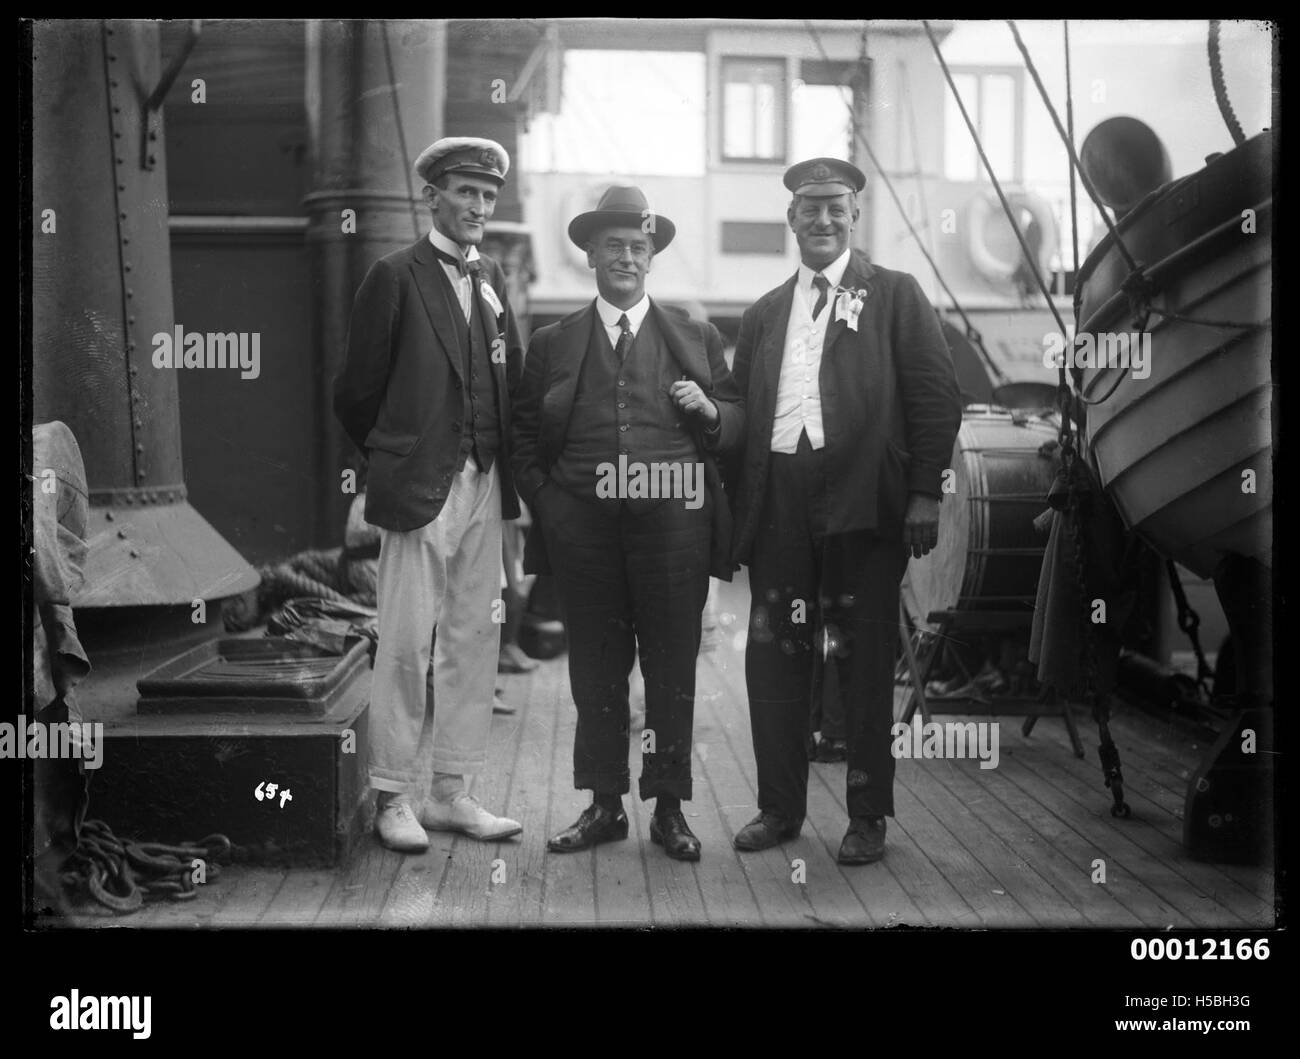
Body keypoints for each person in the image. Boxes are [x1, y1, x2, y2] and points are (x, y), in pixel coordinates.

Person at [729, 157, 962, 864]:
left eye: (836, 207)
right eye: (810, 208)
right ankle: (779, 807)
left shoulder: (894, 294)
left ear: (854, 217)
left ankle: (867, 814)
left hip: (864, 504)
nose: (823, 219)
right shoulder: (766, 312)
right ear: (791, 220)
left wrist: (925, 492)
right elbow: (741, 411)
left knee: (862, 663)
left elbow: (934, 396)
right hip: (780, 506)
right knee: (775, 656)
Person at [512, 185, 742, 861]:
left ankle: (669, 808)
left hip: (673, 533)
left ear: (652, 258)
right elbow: (523, 436)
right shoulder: (553, 343)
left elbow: (737, 424)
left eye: (637, 246)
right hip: (582, 535)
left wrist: (709, 410)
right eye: (612, 245)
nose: (625, 257)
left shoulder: (695, 338)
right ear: (589, 253)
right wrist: (551, 505)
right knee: (596, 669)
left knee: (672, 669)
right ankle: (605, 805)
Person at [333, 137, 524, 853]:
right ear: (433, 196)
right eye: (465, 191)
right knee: (408, 641)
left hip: (485, 479)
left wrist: (505, 476)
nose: (478, 205)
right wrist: (399, 455)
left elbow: (508, 379)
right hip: (420, 486)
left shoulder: (494, 278)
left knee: (475, 636)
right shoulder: (393, 275)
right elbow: (355, 393)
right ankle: (391, 794)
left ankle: (451, 793)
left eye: (486, 194)